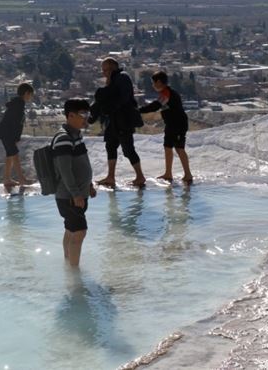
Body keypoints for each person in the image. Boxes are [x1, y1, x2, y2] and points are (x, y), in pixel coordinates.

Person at [54, 99, 96, 267]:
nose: (86, 118)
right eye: (83, 115)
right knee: (79, 232)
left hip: (77, 194)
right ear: (70, 115)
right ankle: (74, 275)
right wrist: (76, 193)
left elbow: (82, 165)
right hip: (70, 196)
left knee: (71, 230)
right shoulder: (63, 138)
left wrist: (89, 185)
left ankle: (68, 265)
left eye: (88, 114)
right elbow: (65, 170)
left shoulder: (76, 135)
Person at [94, 57, 146, 187]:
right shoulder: (113, 80)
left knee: (128, 149)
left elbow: (123, 97)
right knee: (110, 146)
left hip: (124, 119)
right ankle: (110, 177)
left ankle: (140, 176)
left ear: (113, 68)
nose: (104, 73)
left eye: (105, 70)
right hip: (114, 120)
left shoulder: (122, 77)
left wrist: (110, 106)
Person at [139, 71, 194, 184]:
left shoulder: (167, 93)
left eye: (153, 83)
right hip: (171, 124)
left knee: (179, 148)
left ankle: (188, 174)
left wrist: (138, 110)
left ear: (159, 82)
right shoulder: (165, 92)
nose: (153, 85)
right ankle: (168, 173)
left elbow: (155, 106)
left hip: (178, 124)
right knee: (167, 147)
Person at [0, 82, 34, 187]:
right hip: (7, 133)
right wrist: (16, 137)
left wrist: (16, 137)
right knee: (15, 154)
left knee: (10, 155)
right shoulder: (19, 104)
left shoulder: (18, 103)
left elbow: (16, 123)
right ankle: (21, 179)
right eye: (30, 94)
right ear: (26, 93)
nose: (31, 97)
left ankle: (7, 179)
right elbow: (15, 123)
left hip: (6, 132)